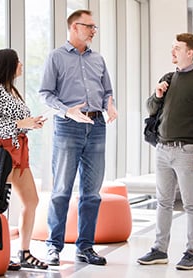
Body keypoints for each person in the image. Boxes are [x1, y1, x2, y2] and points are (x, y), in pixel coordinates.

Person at [38, 9, 117, 266]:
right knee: (61, 189)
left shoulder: (98, 59)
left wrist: (110, 105)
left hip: (96, 126)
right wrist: (67, 111)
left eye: (94, 27)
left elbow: (107, 91)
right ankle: (54, 247)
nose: (94, 30)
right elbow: (45, 93)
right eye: (89, 26)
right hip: (68, 126)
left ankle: (85, 247)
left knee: (92, 193)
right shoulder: (56, 57)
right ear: (74, 27)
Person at [137, 33, 193, 270]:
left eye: (177, 48)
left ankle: (192, 252)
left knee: (191, 203)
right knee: (163, 202)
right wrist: (157, 94)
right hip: (162, 148)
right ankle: (159, 249)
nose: (172, 52)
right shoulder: (168, 78)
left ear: (189, 52)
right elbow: (151, 109)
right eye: (172, 48)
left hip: (188, 151)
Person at [0, 48, 48, 270]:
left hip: (17, 152)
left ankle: (24, 252)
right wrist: (22, 124)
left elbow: (17, 122)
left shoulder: (11, 90)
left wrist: (32, 124)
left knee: (31, 201)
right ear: (7, 65)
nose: (21, 64)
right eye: (17, 61)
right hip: (0, 153)